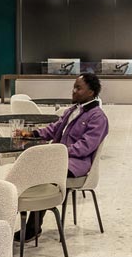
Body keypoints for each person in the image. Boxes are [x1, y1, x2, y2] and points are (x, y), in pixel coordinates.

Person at [14, 72, 110, 239]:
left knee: (43, 172)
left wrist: (58, 153)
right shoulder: (72, 110)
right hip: (58, 159)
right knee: (28, 168)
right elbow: (53, 129)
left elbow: (85, 147)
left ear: (91, 92)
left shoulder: (98, 117)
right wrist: (32, 133)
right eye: (73, 87)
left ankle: (33, 227)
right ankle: (18, 211)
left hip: (76, 165)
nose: (73, 91)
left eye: (78, 88)